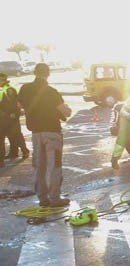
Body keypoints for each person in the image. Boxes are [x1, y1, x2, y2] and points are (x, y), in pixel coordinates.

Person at [18, 63, 72, 207]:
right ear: (48, 73)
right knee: (54, 165)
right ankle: (55, 198)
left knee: (39, 166)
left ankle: (43, 198)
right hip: (52, 132)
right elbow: (65, 112)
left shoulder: (24, 89)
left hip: (35, 133)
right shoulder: (51, 92)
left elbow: (19, 107)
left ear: (35, 72)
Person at [0, 73, 18, 168]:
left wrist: (10, 113)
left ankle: (20, 151)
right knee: (11, 136)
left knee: (12, 135)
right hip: (5, 116)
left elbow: (13, 102)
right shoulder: (3, 89)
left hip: (7, 117)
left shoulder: (8, 89)